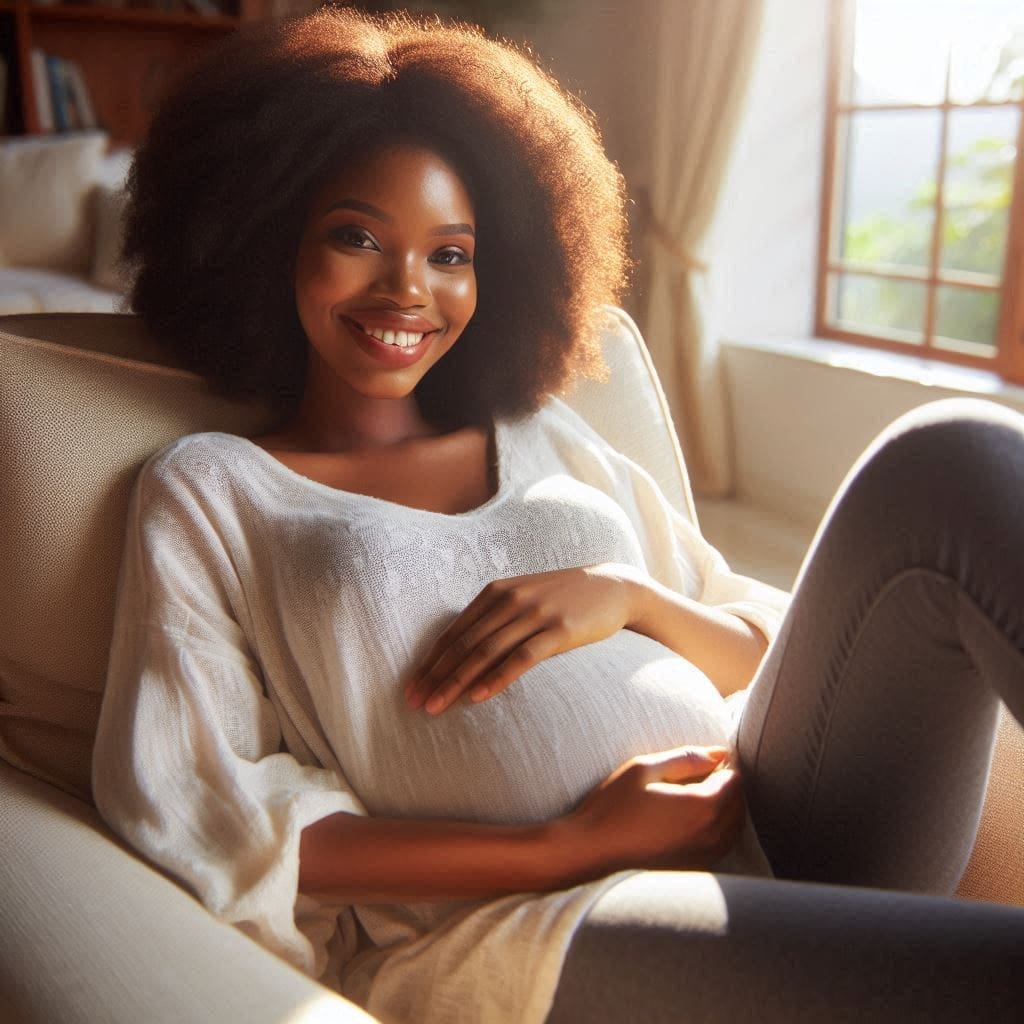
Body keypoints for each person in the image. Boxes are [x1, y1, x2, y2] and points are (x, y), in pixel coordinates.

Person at [92, 8, 1024, 1023]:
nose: (408, 287)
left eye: (451, 253)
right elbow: (210, 809)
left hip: (778, 814)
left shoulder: (546, 436)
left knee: (953, 452)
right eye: (357, 236)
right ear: (269, 241)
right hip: (540, 919)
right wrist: (572, 843)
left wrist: (628, 598)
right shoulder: (214, 487)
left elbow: (770, 647)